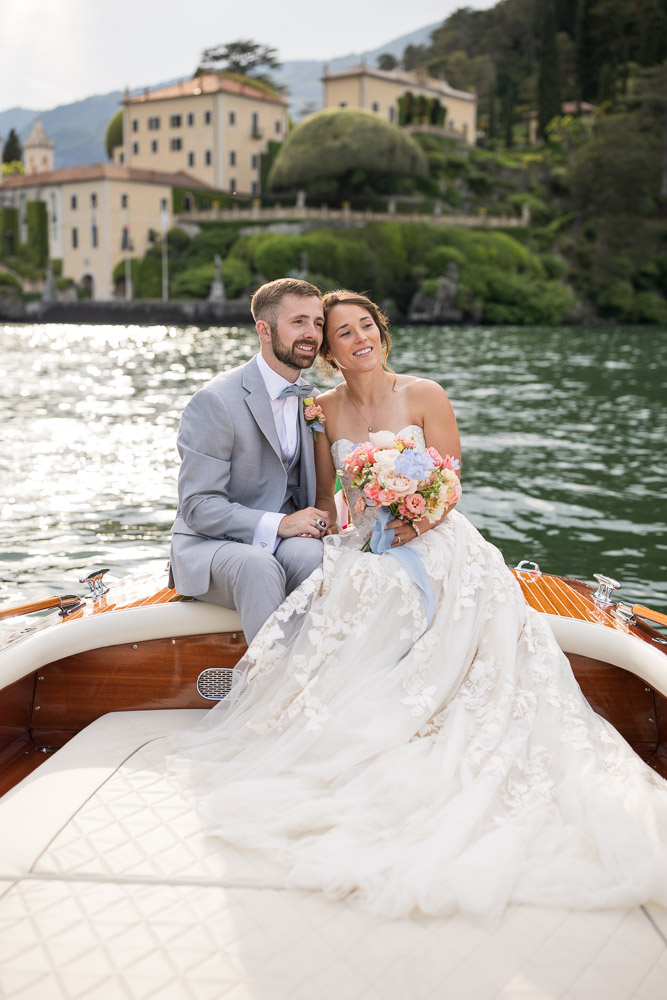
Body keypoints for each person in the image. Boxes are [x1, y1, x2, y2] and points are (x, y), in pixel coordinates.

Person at [168, 290, 667, 921]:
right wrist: (351, 527)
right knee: (351, 580)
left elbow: (450, 482)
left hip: (435, 532)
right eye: (340, 332)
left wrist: (414, 514)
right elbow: (328, 499)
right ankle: (319, 705)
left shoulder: (425, 395)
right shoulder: (319, 411)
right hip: (365, 533)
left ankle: (423, 696)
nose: (358, 338)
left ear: (382, 331)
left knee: (403, 586)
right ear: (327, 350)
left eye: (365, 326)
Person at [169, 277, 331, 644]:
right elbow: (198, 506)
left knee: (313, 555)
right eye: (298, 322)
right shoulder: (215, 400)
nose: (312, 333)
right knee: (257, 567)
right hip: (210, 545)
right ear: (264, 330)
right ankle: (272, 691)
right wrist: (280, 524)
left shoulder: (313, 399)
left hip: (283, 538)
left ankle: (317, 679)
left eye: (318, 323)